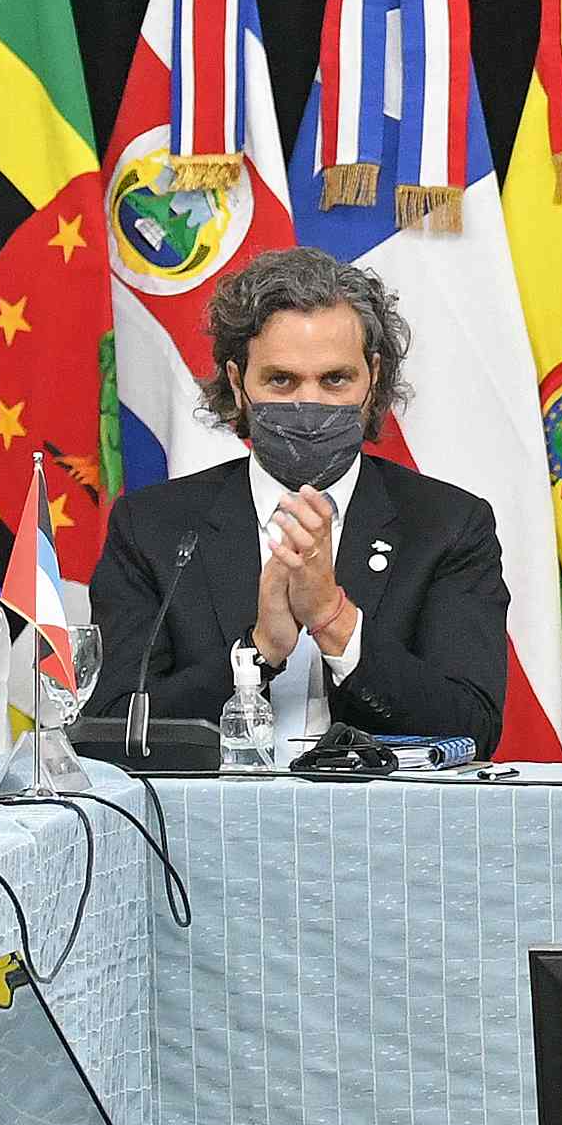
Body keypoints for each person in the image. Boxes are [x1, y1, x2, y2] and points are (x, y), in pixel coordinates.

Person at [92, 248, 513, 751]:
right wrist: (259, 650)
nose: (308, 404)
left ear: (372, 378)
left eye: (335, 380)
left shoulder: (448, 526)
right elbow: (112, 730)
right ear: (237, 383)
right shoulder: (153, 527)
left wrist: (334, 619)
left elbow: (473, 731)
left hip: (380, 822)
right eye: (281, 380)